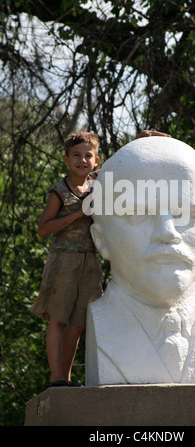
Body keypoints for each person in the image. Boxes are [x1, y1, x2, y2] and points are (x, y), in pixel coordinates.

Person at [85, 136, 195, 385]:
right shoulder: (100, 324)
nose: (167, 232)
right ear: (100, 239)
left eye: (185, 214)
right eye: (139, 213)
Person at [32, 131, 103, 387]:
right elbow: (43, 229)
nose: (82, 160)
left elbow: (124, 163)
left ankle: (67, 378)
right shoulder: (59, 191)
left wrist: (144, 137)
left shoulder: (97, 184)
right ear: (65, 159)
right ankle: (56, 377)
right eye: (76, 155)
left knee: (78, 324)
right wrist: (77, 213)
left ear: (96, 161)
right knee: (59, 320)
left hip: (89, 262)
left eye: (88, 155)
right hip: (63, 261)